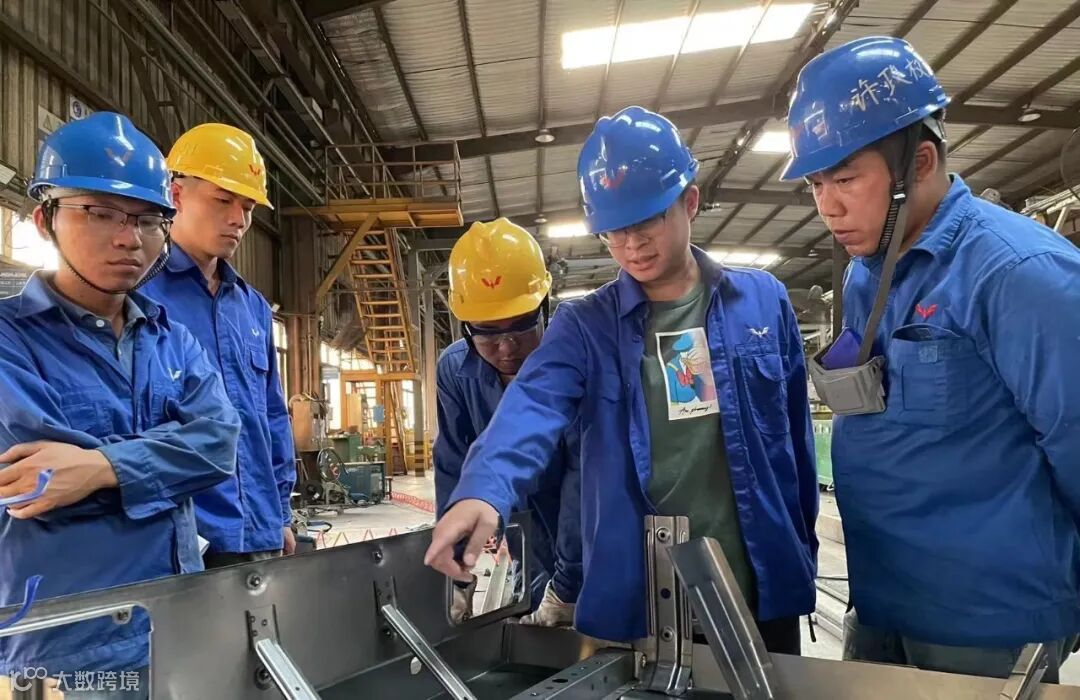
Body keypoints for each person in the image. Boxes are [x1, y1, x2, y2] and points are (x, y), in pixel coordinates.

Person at [425, 106, 818, 649]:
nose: (631, 244)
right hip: (641, 603)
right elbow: (531, 404)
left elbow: (796, 444)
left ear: (689, 202)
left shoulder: (761, 302)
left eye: (646, 221)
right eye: (613, 231)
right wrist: (483, 490)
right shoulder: (586, 328)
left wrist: (800, 549)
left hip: (758, 587)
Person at [781, 36, 1080, 680]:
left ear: (919, 162)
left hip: (987, 625)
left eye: (845, 179)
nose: (827, 206)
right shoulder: (869, 272)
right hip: (884, 603)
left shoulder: (1019, 273)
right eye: (816, 184)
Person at [0, 113, 240, 697]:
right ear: (46, 218)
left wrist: (100, 467)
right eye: (99, 212)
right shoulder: (10, 338)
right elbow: (34, 482)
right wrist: (167, 464)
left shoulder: (172, 339)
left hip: (178, 618)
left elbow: (219, 445)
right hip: (68, 642)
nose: (129, 238)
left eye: (148, 219)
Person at [141, 123, 296, 568]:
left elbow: (271, 415)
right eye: (222, 200)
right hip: (181, 537)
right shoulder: (139, 297)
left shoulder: (253, 308)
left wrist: (282, 513)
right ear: (176, 195)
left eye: (247, 207)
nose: (238, 220)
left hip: (259, 528)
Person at [435, 218, 582, 626]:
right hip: (518, 531)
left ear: (543, 308)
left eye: (521, 327)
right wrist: (458, 565)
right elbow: (452, 464)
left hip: (577, 522)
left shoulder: (573, 364)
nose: (506, 348)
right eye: (486, 333)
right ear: (465, 325)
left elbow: (583, 477)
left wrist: (569, 582)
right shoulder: (454, 372)